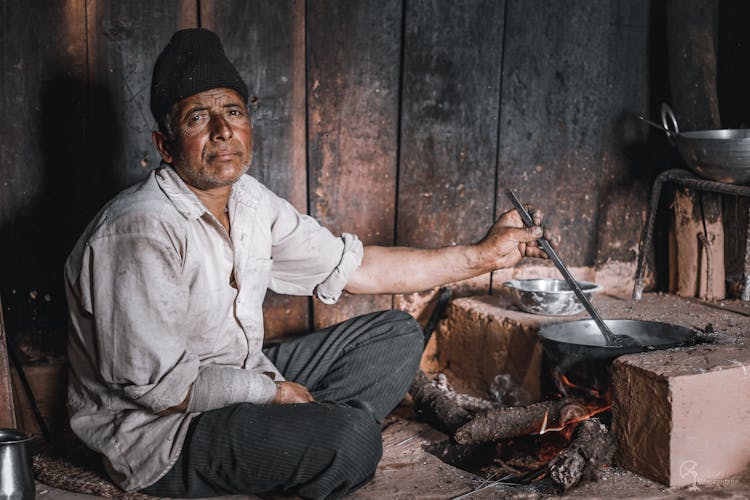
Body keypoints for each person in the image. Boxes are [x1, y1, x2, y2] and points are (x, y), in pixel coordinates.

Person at [64, 28, 548, 499]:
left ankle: (305, 440)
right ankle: (324, 439)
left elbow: (358, 269)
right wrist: (271, 394)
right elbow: (162, 389)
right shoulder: (138, 230)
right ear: (165, 145)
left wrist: (481, 256)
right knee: (355, 443)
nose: (223, 130)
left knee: (396, 334)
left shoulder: (250, 202)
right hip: (164, 436)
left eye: (233, 111)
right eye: (197, 118)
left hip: (242, 375)